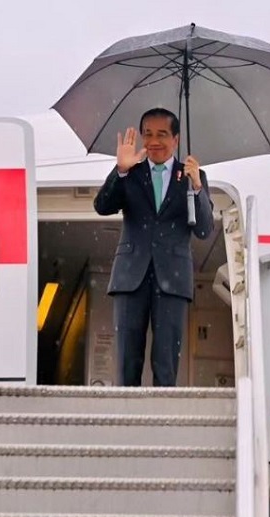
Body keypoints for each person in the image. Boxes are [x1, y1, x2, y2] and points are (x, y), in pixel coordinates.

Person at [93, 108, 214, 387]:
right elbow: (102, 206)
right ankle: (124, 422)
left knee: (166, 361)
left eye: (162, 134)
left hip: (172, 278)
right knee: (126, 360)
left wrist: (196, 188)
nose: (154, 141)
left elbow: (205, 229)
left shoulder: (193, 176)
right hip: (130, 275)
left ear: (176, 139)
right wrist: (121, 170)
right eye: (148, 134)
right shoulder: (130, 172)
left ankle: (162, 423)